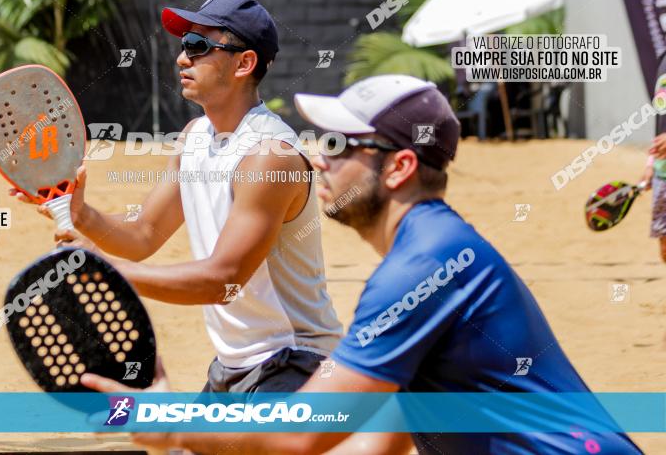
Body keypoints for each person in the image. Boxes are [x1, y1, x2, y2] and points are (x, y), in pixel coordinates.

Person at [82, 75, 642, 455]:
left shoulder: (422, 269)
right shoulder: (430, 254)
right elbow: (376, 440)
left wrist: (176, 424)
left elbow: (301, 435)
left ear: (398, 167)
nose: (320, 157)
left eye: (341, 142)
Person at [14, 0, 342, 393]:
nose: (182, 57)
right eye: (184, 44)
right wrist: (80, 213)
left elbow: (224, 280)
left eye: (198, 45)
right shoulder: (195, 138)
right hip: (232, 365)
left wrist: (106, 275)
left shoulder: (268, 157)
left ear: (245, 62)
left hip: (295, 363)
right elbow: (144, 234)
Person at [640, 54, 666, 262]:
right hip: (662, 172)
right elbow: (660, 118)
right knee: (664, 244)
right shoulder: (662, 60)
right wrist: (651, 163)